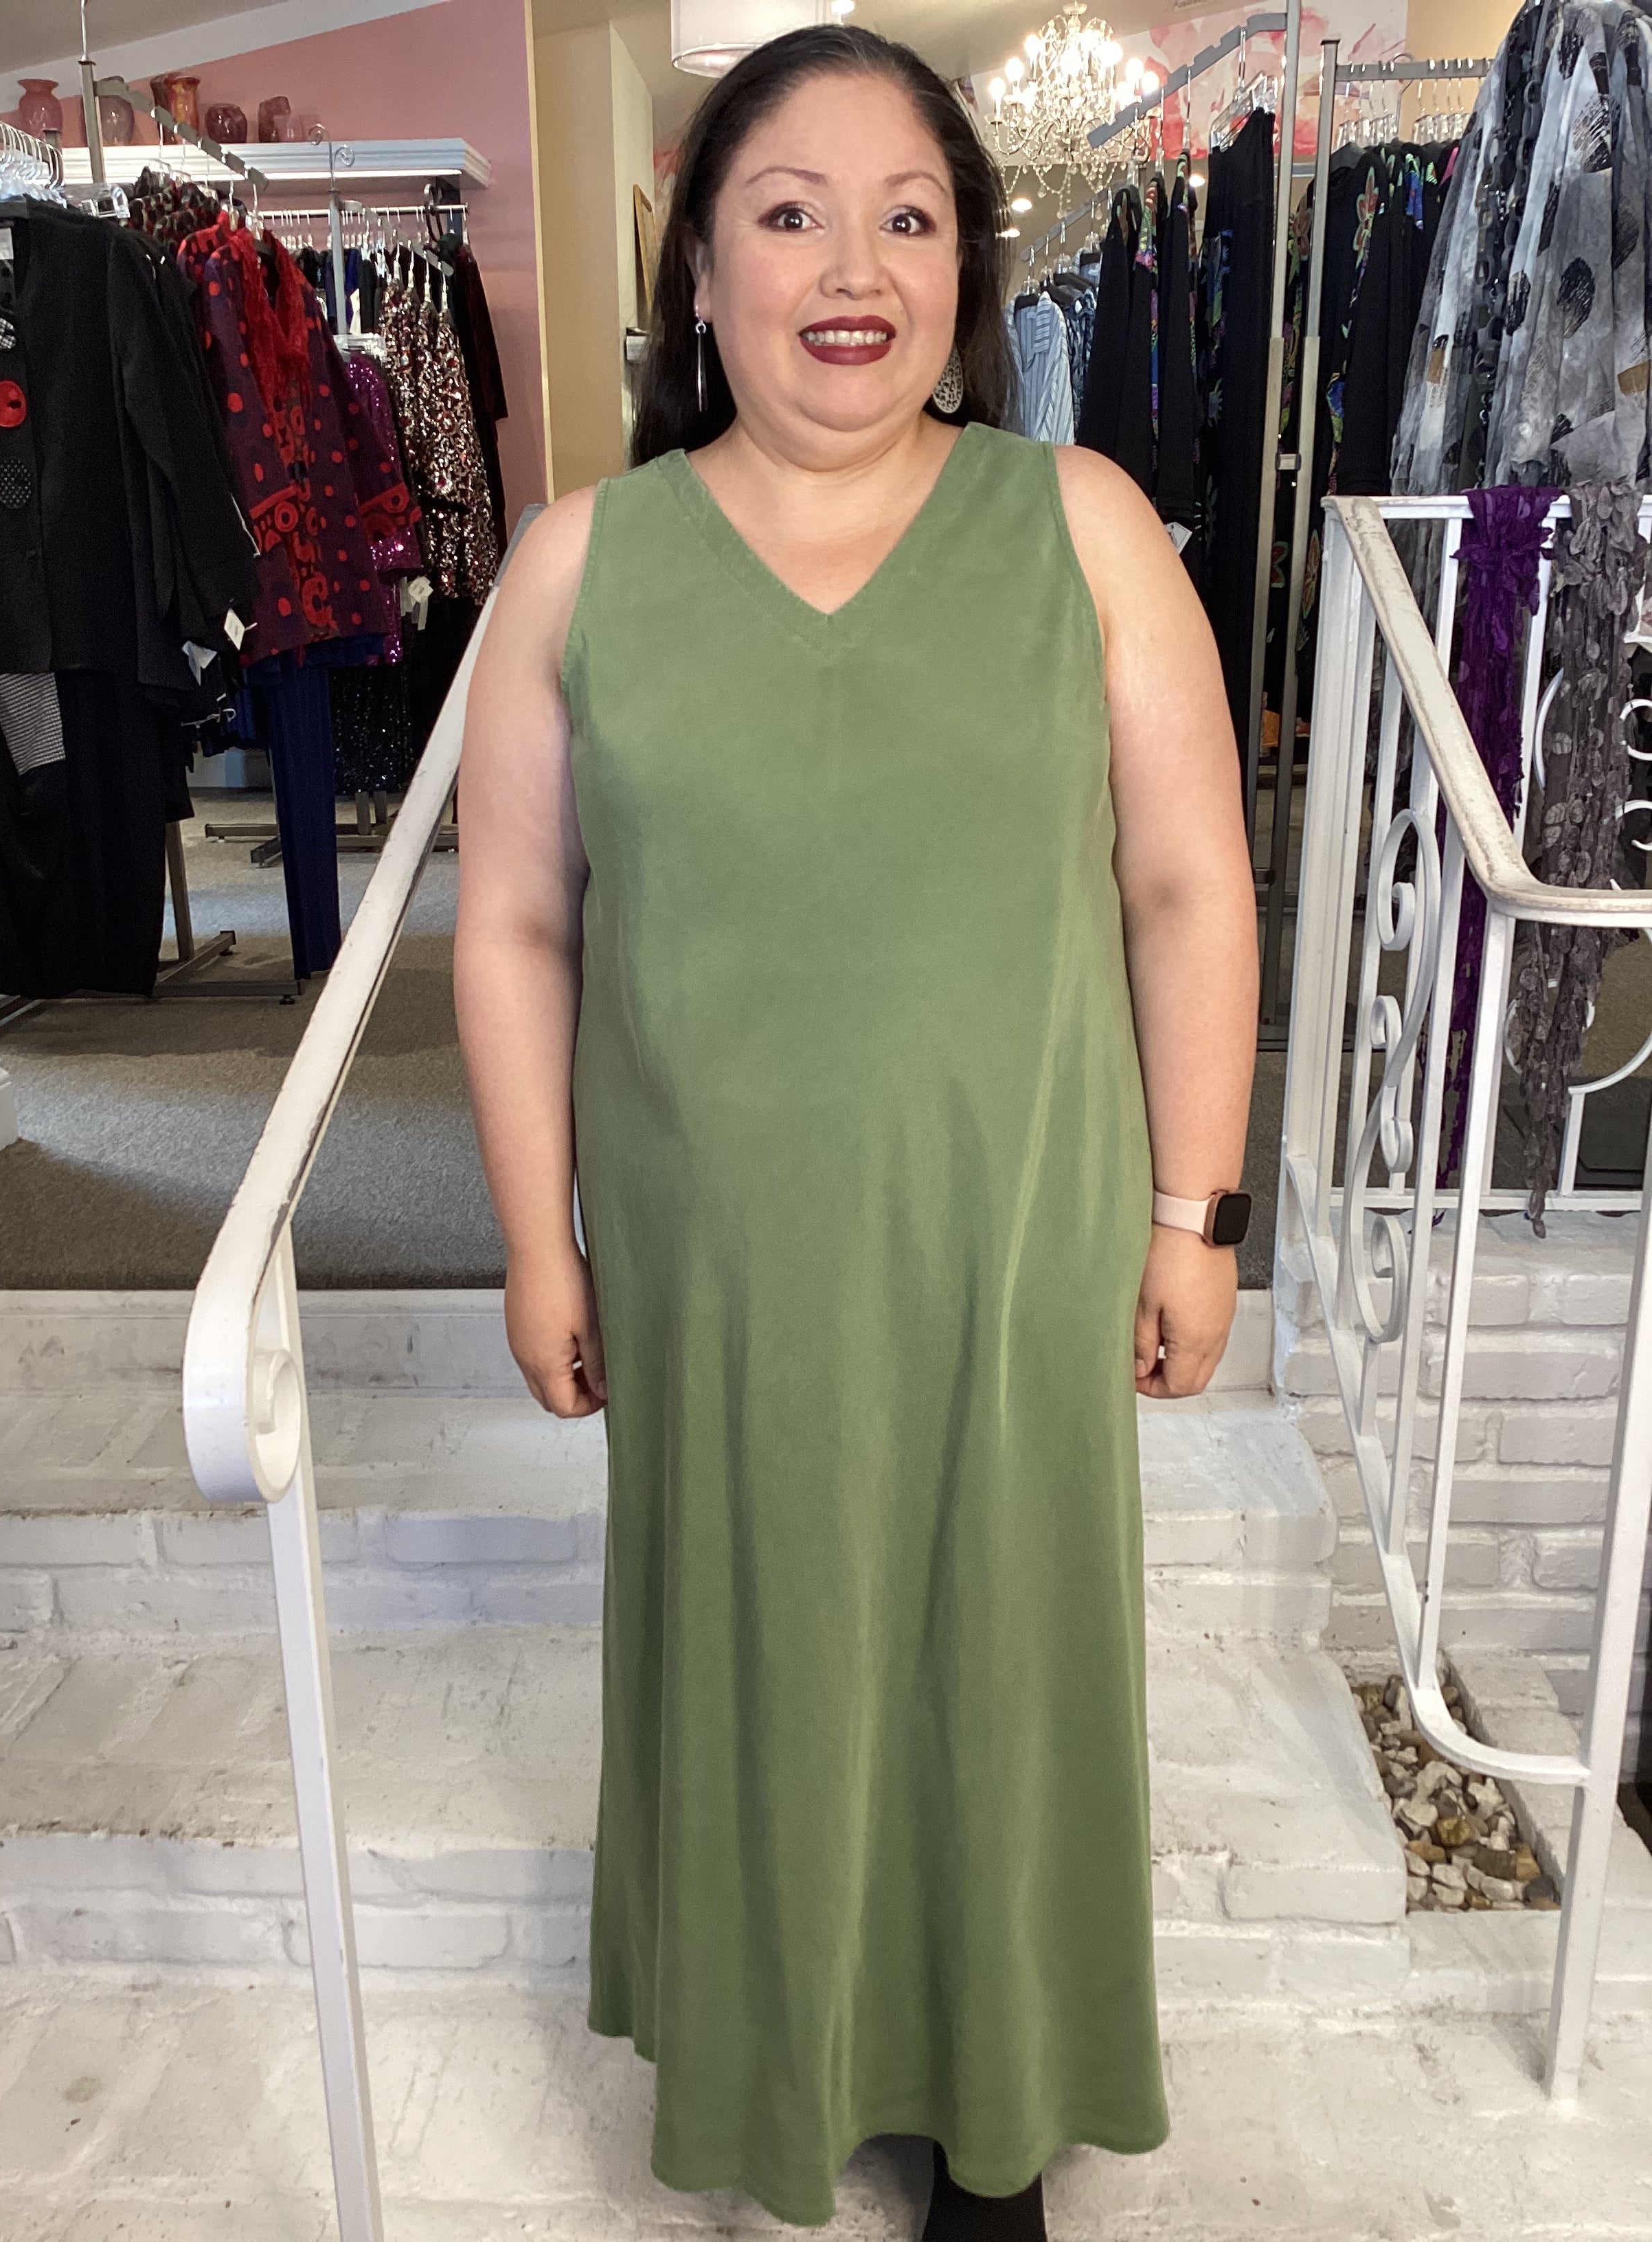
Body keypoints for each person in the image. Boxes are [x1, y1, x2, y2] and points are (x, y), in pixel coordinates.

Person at [455, 24, 1258, 2236]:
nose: (852, 269)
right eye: (789, 213)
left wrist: (1196, 1215)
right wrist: (537, 1239)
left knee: (999, 1671)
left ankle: (991, 2126)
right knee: (761, 1665)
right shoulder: (580, 567)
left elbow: (1188, 884)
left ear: (965, 273)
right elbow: (513, 925)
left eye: (908, 218)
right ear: (700, 270)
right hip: (716, 1280)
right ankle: (774, 2071)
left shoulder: (1078, 526)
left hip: (1012, 1253)